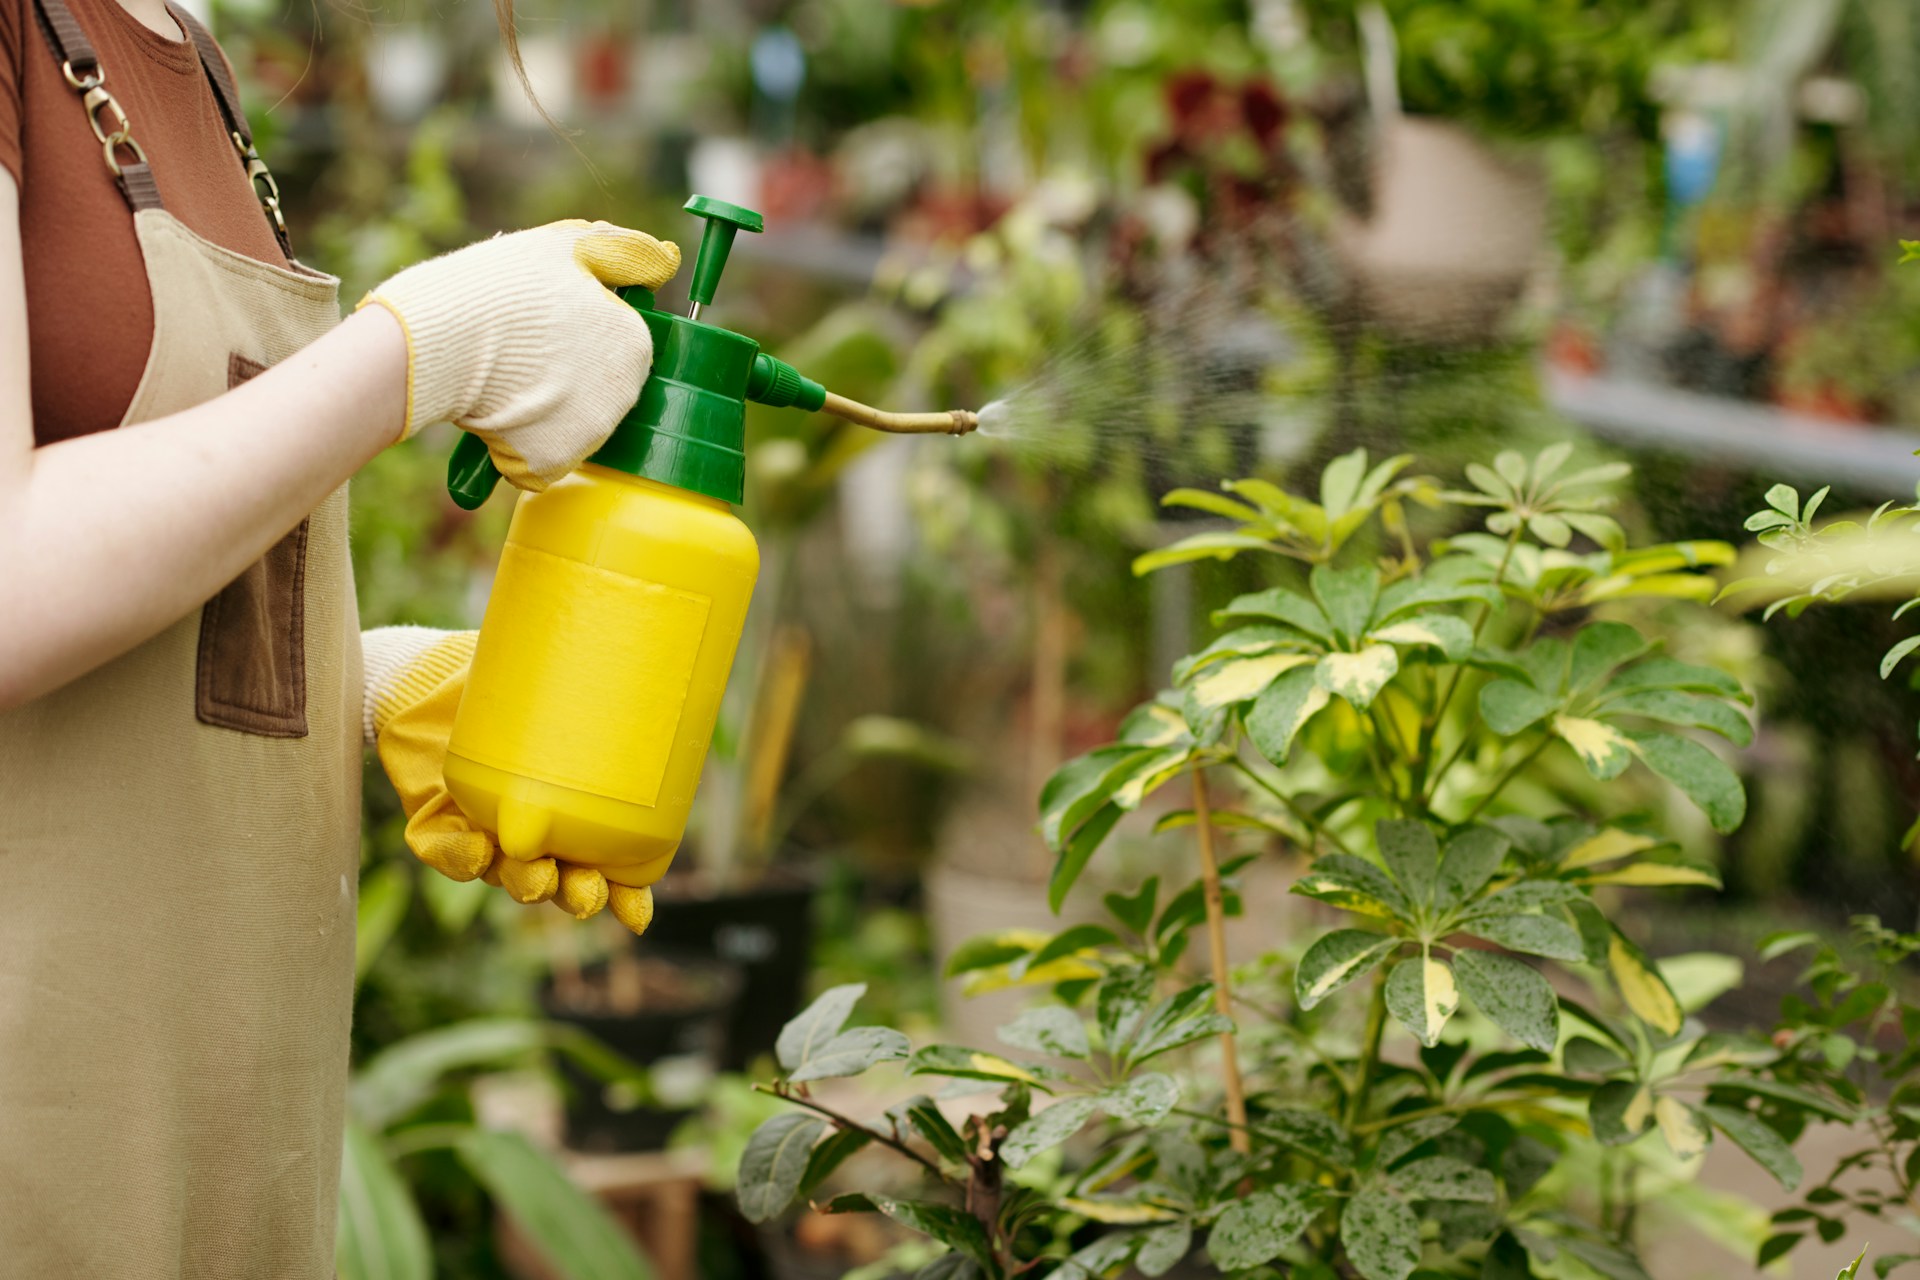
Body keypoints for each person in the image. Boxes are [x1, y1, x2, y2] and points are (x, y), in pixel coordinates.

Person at [0, 0, 674, 1271]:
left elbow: (146, 529)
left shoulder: (176, 52)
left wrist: (358, 681)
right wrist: (421, 349)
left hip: (225, 1179)